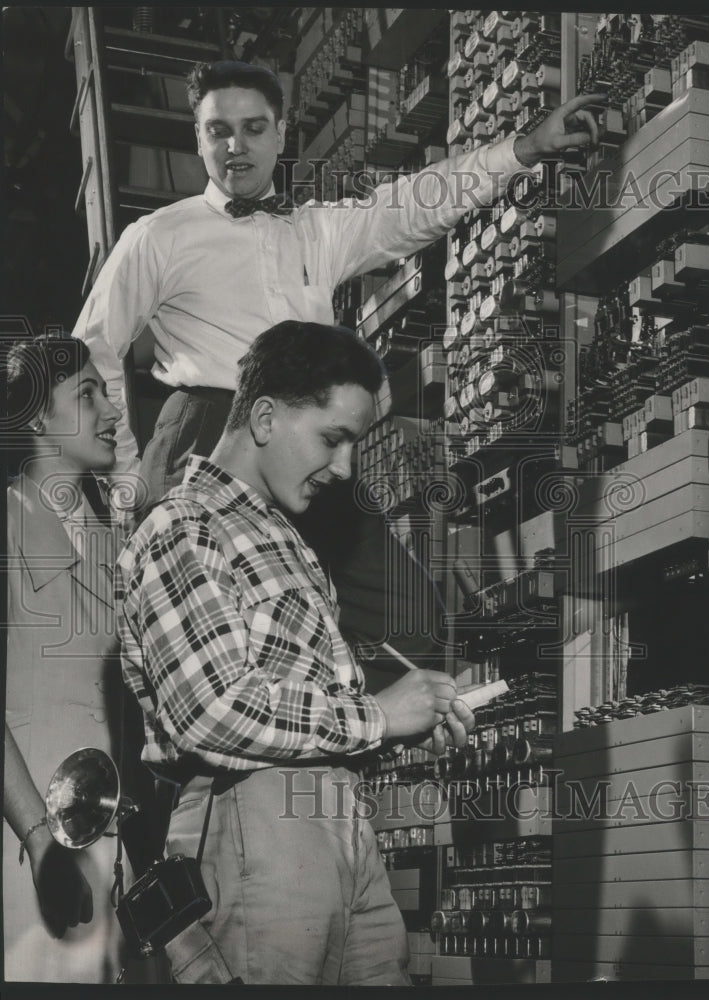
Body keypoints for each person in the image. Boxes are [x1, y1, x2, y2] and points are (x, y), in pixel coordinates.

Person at [73, 60, 602, 666]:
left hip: (309, 441)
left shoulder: (316, 231)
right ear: (198, 136)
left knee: (409, 621)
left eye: (252, 128)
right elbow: (91, 351)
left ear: (280, 133)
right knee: (210, 639)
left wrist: (525, 148)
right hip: (210, 435)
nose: (235, 146)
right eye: (218, 130)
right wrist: (124, 486)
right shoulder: (157, 236)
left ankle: (324, 717)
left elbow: (412, 207)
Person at [116, 322, 476, 984]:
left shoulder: (283, 539)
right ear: (263, 416)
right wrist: (378, 716)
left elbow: (296, 703)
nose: (343, 468)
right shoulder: (184, 526)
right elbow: (213, 712)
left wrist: (405, 725)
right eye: (332, 439)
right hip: (255, 823)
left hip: (338, 824)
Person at [3, 335, 125, 982]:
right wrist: (38, 839)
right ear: (35, 420)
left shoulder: (114, 543)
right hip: (29, 856)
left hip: (105, 855)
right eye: (87, 394)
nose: (111, 411)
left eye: (106, 391)